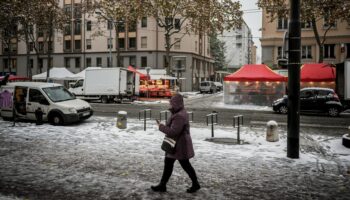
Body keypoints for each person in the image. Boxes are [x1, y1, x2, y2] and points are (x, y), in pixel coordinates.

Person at [151, 94, 200, 193]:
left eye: (172, 103)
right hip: (175, 144)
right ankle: (162, 185)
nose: (170, 105)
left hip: (179, 145)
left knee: (185, 165)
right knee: (168, 163)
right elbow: (174, 129)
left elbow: (174, 132)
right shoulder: (177, 112)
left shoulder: (179, 116)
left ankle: (195, 184)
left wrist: (161, 126)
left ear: (176, 104)